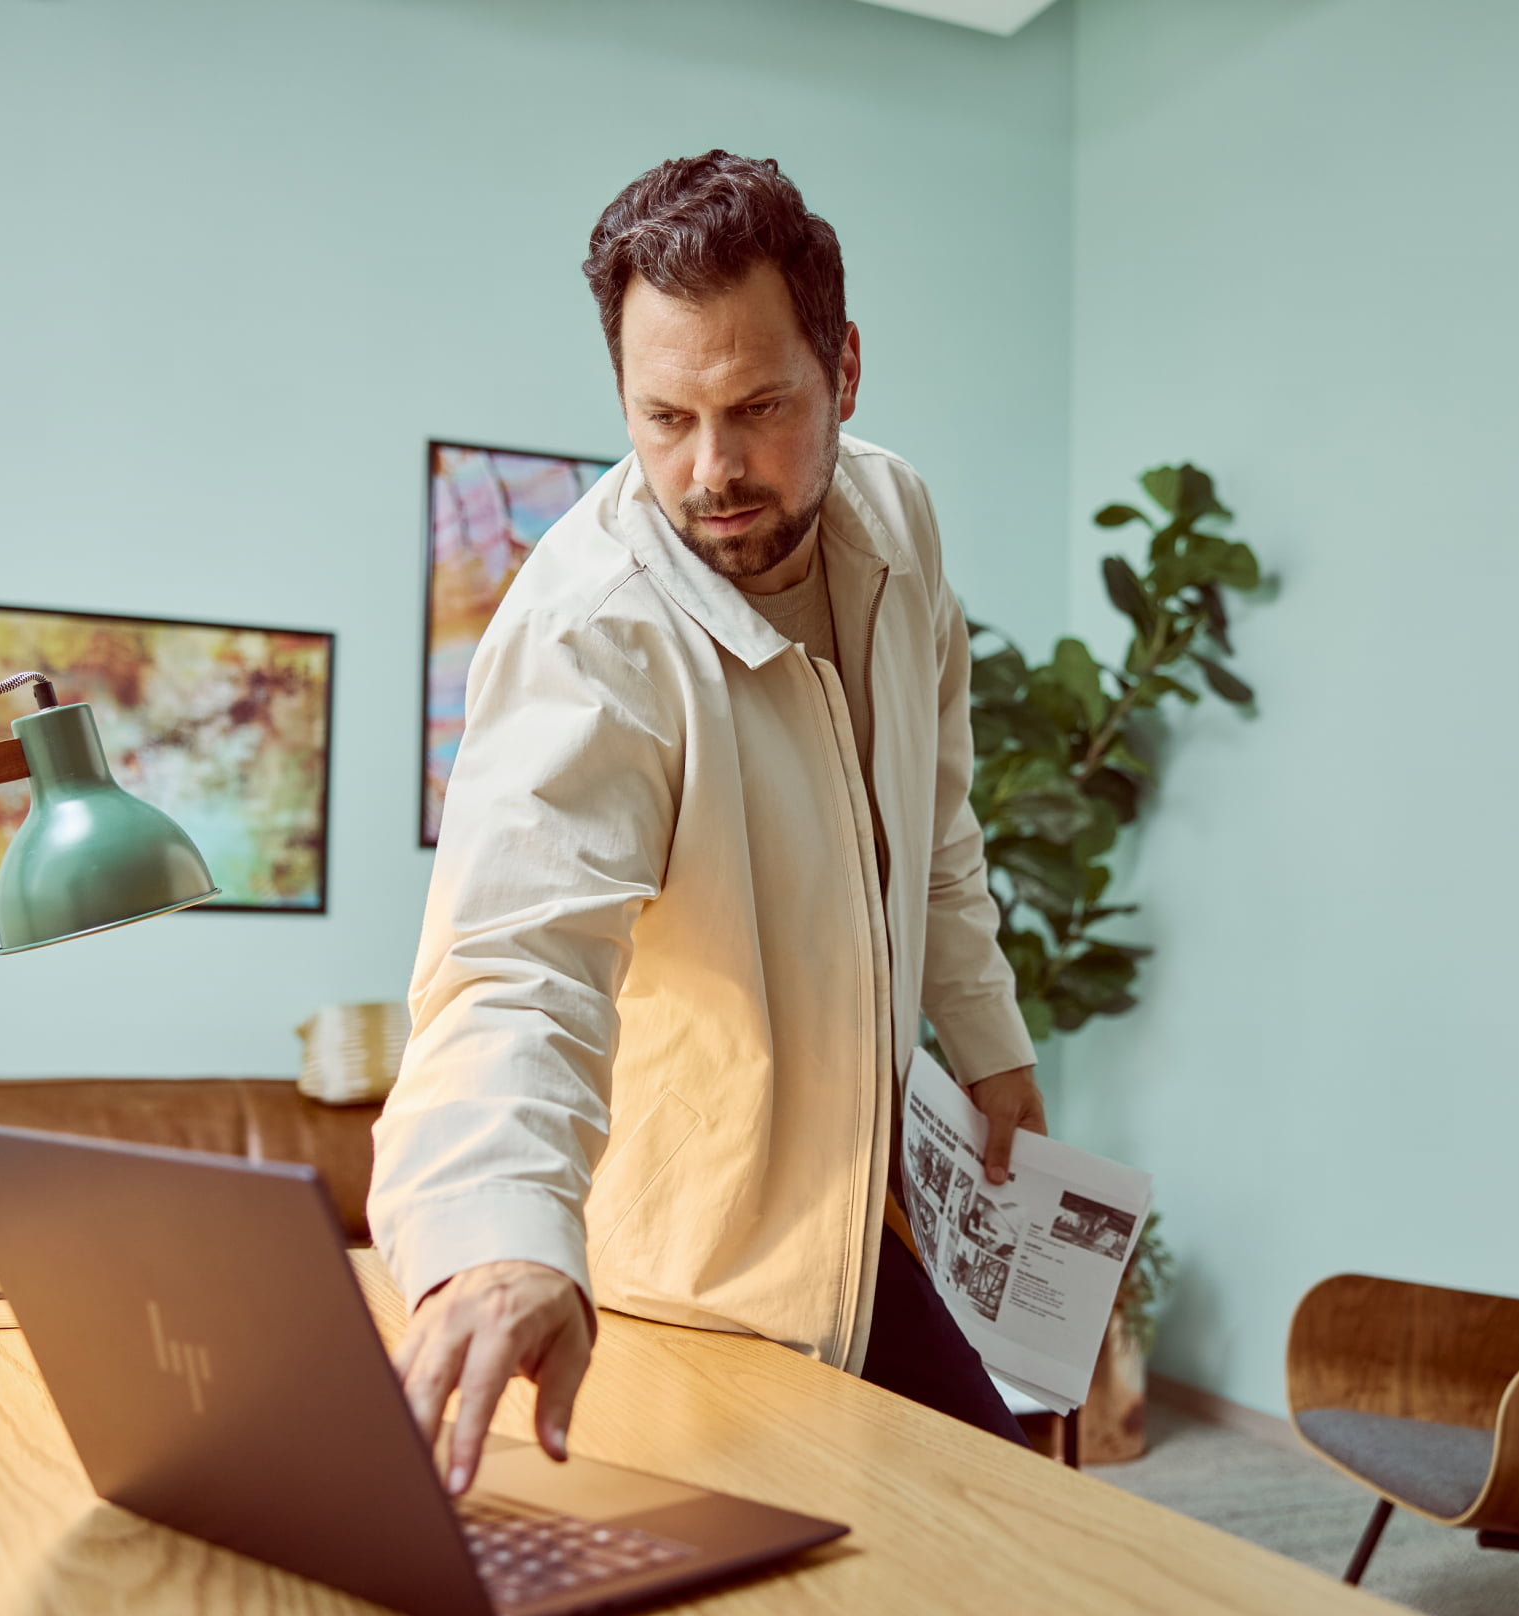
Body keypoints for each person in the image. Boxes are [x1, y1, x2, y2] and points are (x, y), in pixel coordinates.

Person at [369, 150, 1046, 1496]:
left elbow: (937, 817)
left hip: (861, 1226)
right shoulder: (591, 633)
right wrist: (500, 1239)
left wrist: (988, 1046)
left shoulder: (896, 519)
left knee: (1006, 1517)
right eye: (662, 417)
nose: (710, 469)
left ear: (843, 370)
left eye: (759, 407)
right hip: (679, 1276)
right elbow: (513, 967)